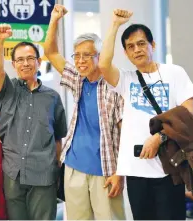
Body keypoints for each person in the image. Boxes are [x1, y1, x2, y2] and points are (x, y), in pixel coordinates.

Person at [98, 9, 193, 220]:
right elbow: (103, 64)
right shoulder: (126, 79)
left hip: (169, 169)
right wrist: (115, 24)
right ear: (126, 53)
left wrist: (160, 137)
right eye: (131, 46)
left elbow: (189, 117)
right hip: (136, 171)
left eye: (142, 43)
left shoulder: (175, 73)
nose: (137, 50)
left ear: (153, 45)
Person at [43, 4, 125, 220]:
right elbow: (50, 52)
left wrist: (119, 172)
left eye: (87, 55)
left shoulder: (115, 87)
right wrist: (54, 20)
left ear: (100, 56)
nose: (80, 61)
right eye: (76, 55)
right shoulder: (77, 79)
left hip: (105, 171)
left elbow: (124, 133)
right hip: (73, 166)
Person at [0, 24, 68, 220]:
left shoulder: (52, 98)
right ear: (14, 63)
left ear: (39, 62)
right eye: (20, 60)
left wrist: (55, 166)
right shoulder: (8, 91)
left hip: (43, 174)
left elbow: (58, 137)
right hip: (12, 173)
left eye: (30, 59)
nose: (25, 63)